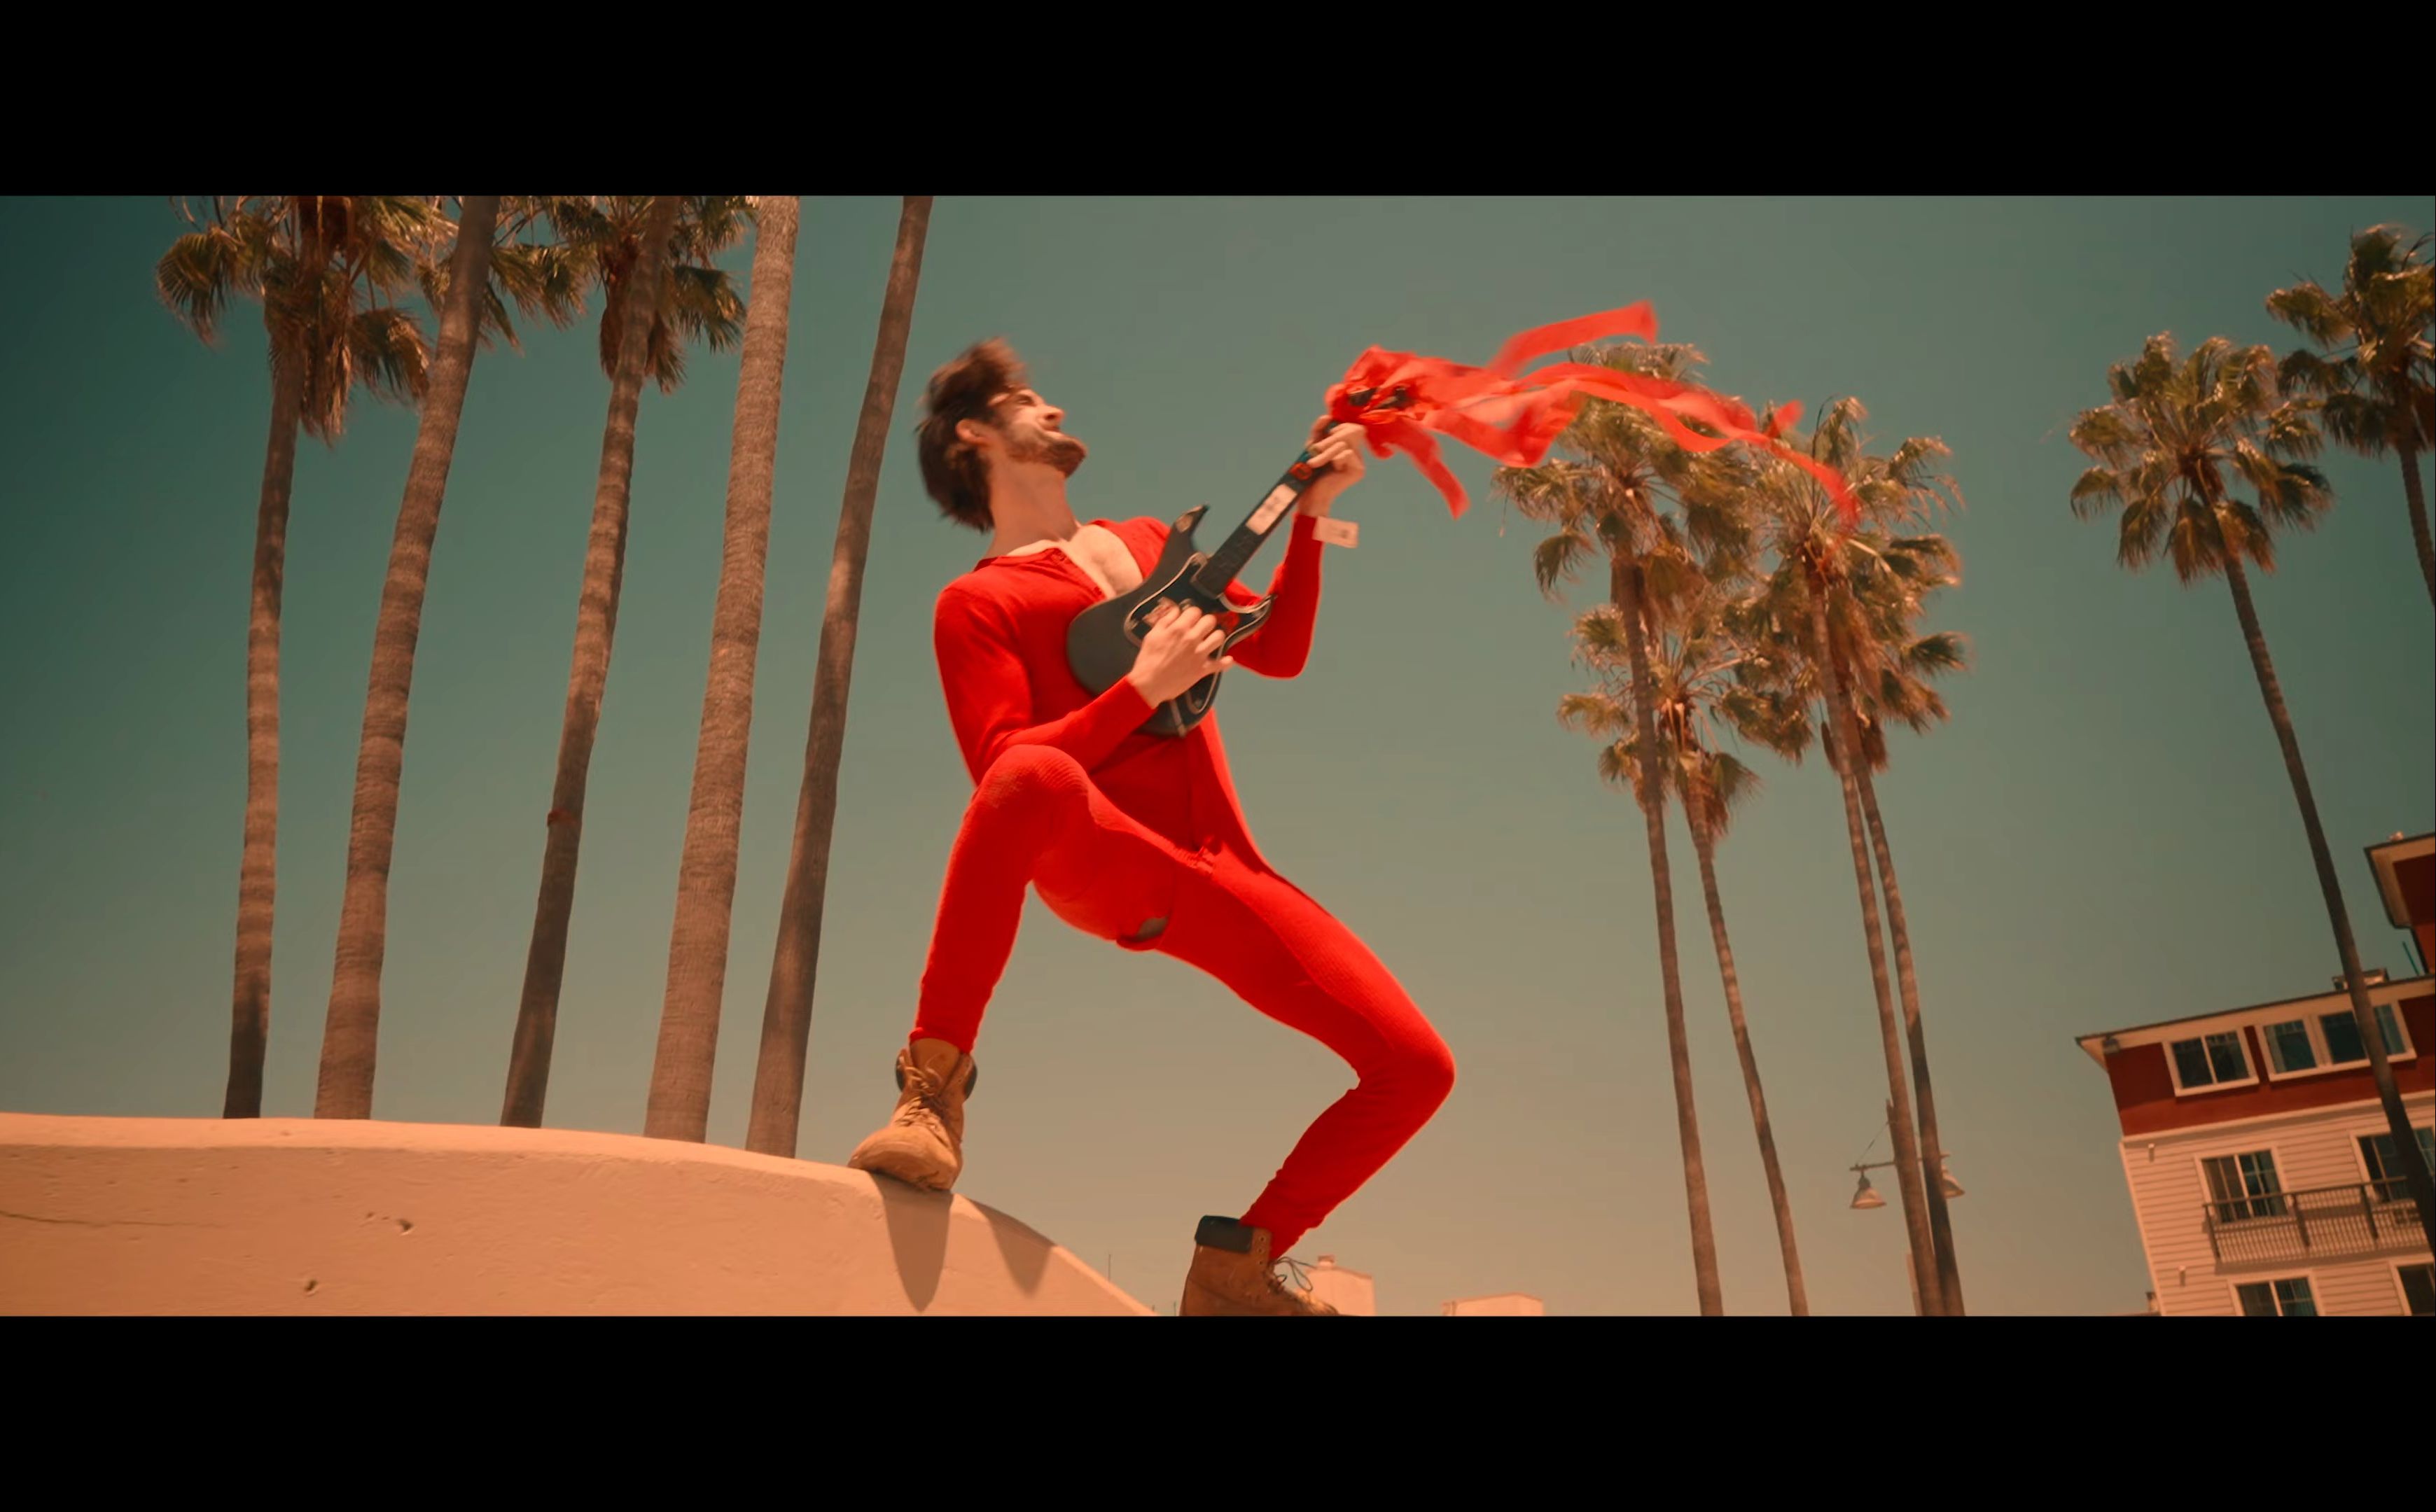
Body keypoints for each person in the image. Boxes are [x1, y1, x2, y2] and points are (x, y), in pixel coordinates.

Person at [847, 339, 1455, 1317]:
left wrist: (1313, 515)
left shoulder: (1142, 542)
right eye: (1025, 400)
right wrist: (1141, 689)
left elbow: (1279, 651)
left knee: (1417, 1067)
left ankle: (1235, 1268)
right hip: (1103, 852)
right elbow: (1004, 771)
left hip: (1228, 869)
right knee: (1032, 772)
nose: (1052, 407)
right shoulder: (977, 602)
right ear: (974, 434)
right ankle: (933, 1091)